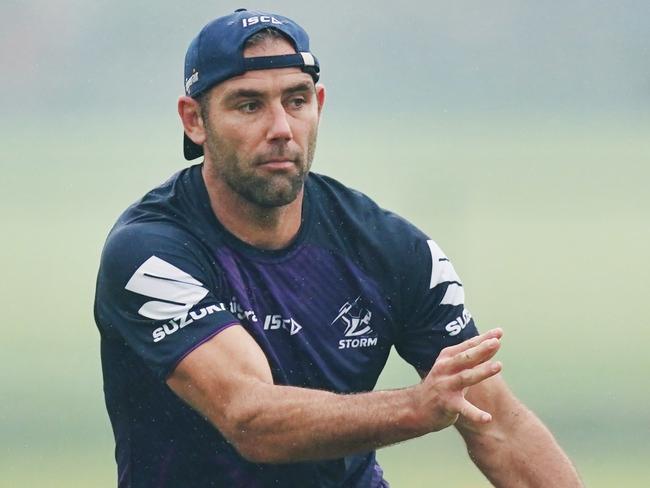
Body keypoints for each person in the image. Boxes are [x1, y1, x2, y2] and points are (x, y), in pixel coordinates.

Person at [94, 8, 583, 488]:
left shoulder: (390, 249)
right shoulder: (150, 255)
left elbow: (499, 425)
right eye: (249, 105)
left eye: (296, 100)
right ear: (194, 120)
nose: (281, 128)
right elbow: (251, 417)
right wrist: (416, 406)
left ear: (319, 105)